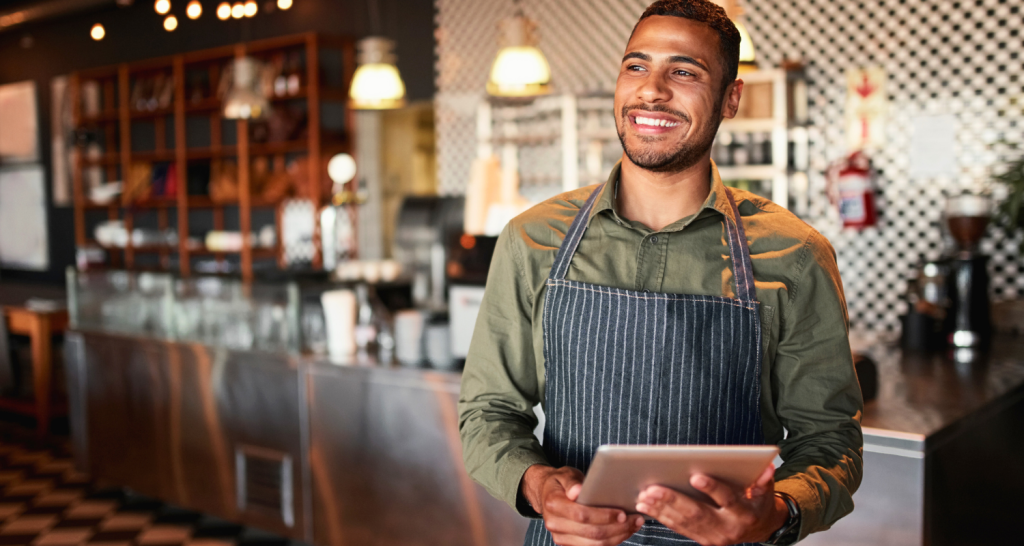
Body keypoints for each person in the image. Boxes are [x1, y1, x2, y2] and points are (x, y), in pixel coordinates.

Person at [458, 1, 864, 545]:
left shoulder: (795, 254)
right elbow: (489, 412)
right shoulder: (533, 240)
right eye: (636, 66)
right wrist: (538, 486)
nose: (651, 90)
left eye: (683, 71)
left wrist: (776, 512)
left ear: (730, 99)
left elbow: (830, 441)